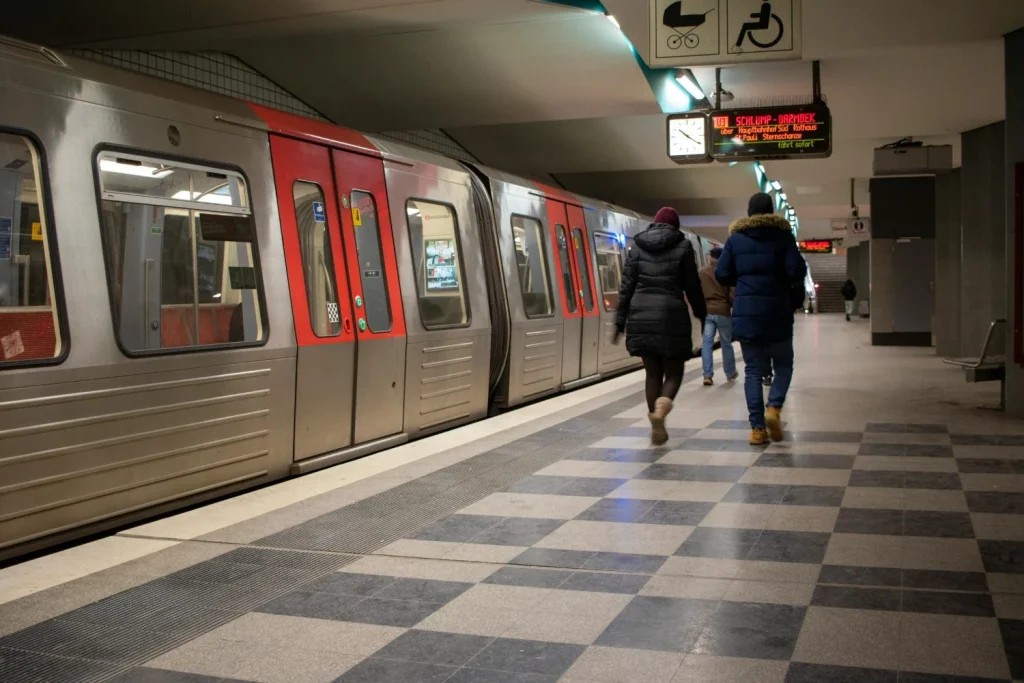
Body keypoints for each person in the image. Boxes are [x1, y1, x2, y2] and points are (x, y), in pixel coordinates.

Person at [716, 192, 806, 445]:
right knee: (784, 365)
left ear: (749, 212)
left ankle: (757, 429)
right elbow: (795, 271)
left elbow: (722, 274)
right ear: (772, 210)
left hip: (747, 312)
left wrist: (744, 281)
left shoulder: (736, 239)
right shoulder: (783, 237)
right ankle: (774, 408)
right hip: (777, 311)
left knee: (753, 371)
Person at [614, 206, 707, 446]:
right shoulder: (683, 246)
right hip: (671, 315)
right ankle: (662, 408)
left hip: (640, 314)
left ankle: (657, 423)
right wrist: (702, 314)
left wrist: (619, 322)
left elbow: (626, 288)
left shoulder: (637, 247)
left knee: (652, 373)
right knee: (674, 372)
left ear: (654, 224)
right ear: (675, 227)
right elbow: (692, 285)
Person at [699, 246, 738, 386]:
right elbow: (732, 294)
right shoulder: (726, 272)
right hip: (723, 310)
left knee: (706, 344)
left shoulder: (701, 272)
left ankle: (707, 375)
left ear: (710, 257)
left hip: (707, 311)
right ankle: (730, 372)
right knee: (726, 343)